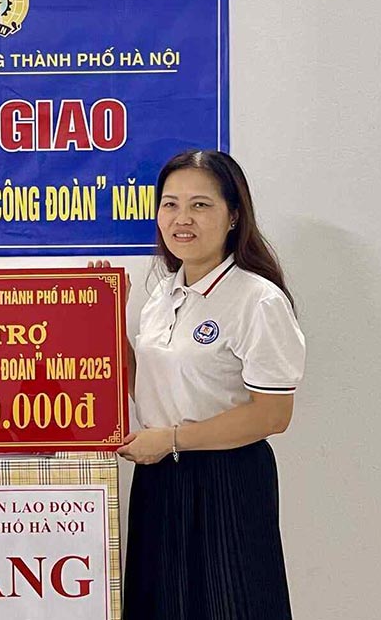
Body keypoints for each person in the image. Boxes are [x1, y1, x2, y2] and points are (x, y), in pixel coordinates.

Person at [96, 150, 305, 619]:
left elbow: (273, 415)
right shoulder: (162, 295)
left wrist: (169, 440)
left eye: (200, 205)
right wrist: (100, 316)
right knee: (162, 605)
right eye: (169, 204)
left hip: (227, 479)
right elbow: (147, 385)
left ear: (234, 215)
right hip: (159, 477)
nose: (181, 218)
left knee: (232, 605)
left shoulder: (257, 299)